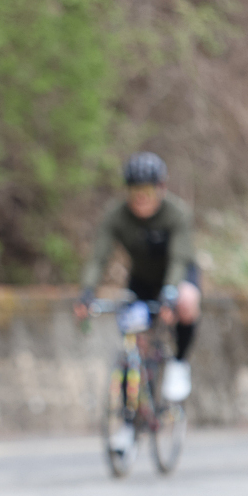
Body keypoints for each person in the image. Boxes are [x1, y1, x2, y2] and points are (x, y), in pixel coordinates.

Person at [75, 152, 200, 402]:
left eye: (148, 191)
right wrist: (87, 291)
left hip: (178, 275)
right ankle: (130, 409)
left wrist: (170, 292)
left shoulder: (177, 214)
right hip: (142, 278)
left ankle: (179, 364)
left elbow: (178, 259)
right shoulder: (116, 215)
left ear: (161, 189)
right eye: (135, 191)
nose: (141, 198)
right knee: (134, 341)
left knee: (186, 301)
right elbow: (98, 258)